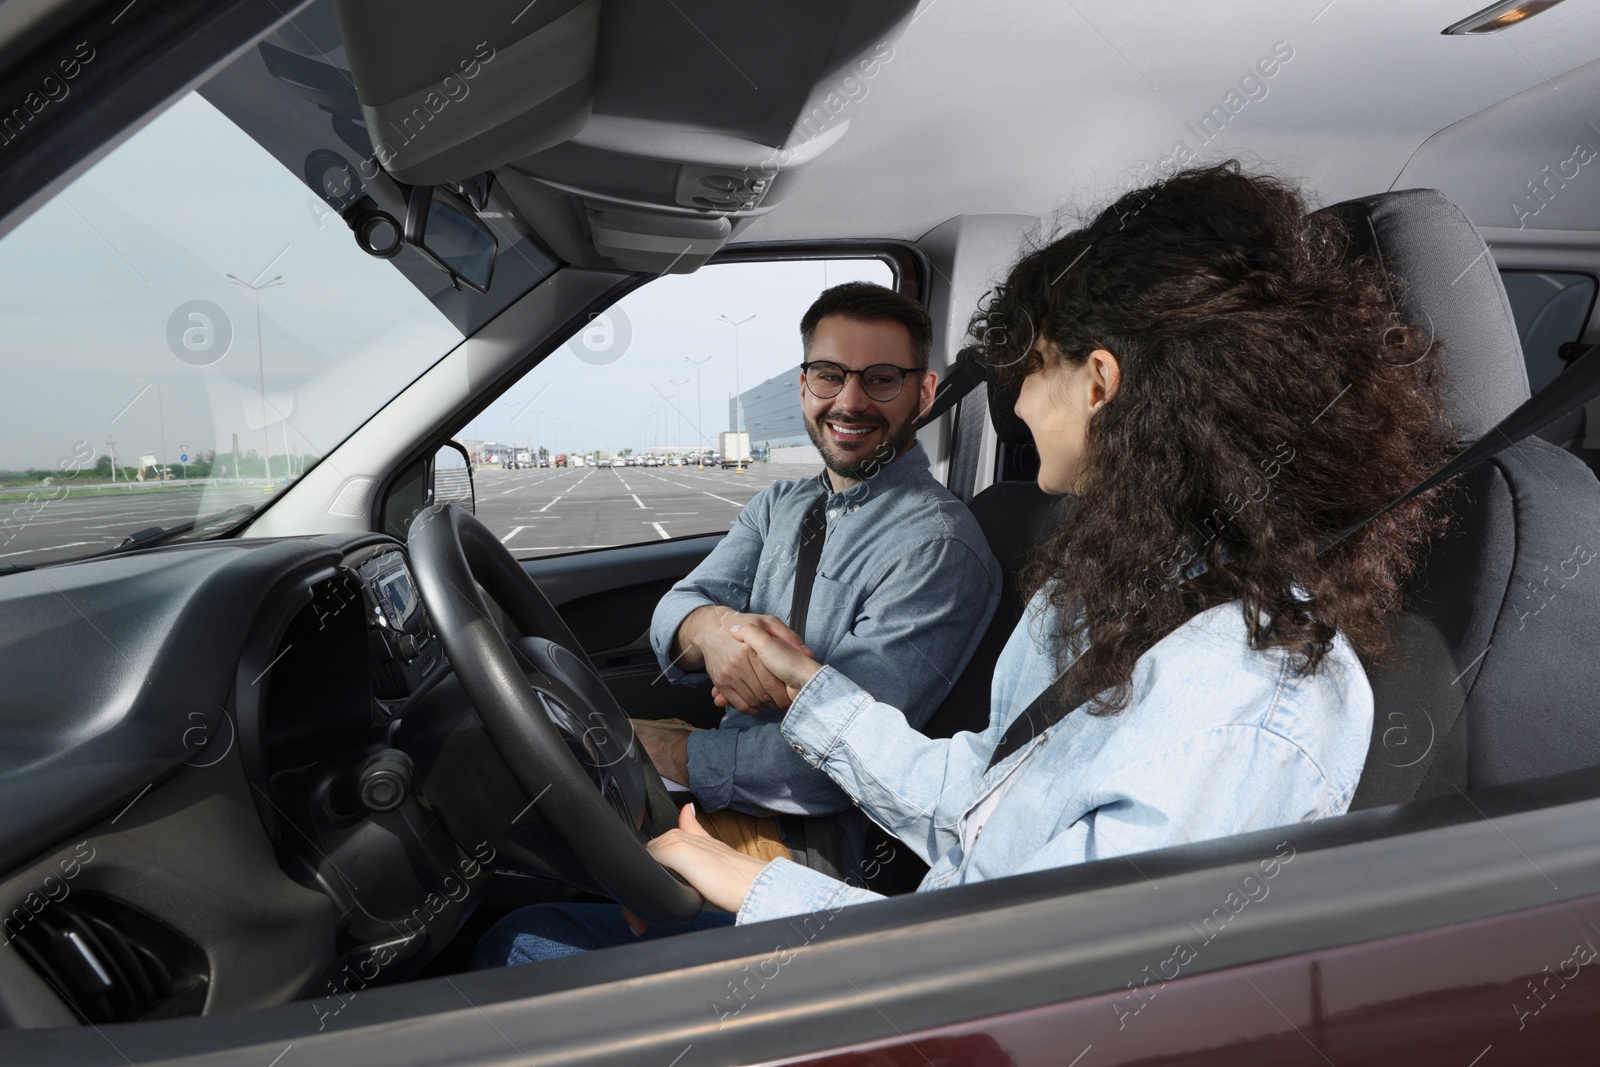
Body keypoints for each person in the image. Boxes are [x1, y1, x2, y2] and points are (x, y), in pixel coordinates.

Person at [475, 162, 1452, 965]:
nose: (1017, 409)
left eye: (1028, 372)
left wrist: (758, 885)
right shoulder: (1117, 592)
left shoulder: (1243, 699)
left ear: (1097, 381)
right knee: (526, 936)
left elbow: (1036, 975)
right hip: (924, 942)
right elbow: (978, 806)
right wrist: (811, 687)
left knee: (521, 957)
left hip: (944, 992)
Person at [632, 281, 1002, 878]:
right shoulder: (780, 504)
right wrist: (719, 633)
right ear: (804, 385)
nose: (849, 402)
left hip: (811, 848)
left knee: (513, 941)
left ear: (924, 392)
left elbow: (840, 765)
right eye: (829, 375)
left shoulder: (937, 548)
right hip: (727, 788)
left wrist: (676, 754)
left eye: (880, 378)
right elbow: (678, 606)